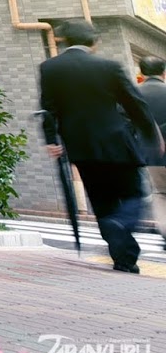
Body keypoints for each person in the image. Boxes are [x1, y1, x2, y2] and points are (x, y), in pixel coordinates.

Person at [38, 20, 164, 272]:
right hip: (117, 143)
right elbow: (134, 103)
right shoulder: (109, 66)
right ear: (93, 42)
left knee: (102, 202)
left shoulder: (50, 68)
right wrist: (152, 135)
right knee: (134, 195)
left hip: (81, 148)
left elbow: (47, 109)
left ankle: (124, 259)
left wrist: (52, 140)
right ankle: (123, 223)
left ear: (65, 41)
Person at [135, 55, 166, 247]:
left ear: (141, 72)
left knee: (161, 194)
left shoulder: (134, 94)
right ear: (164, 72)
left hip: (152, 154)